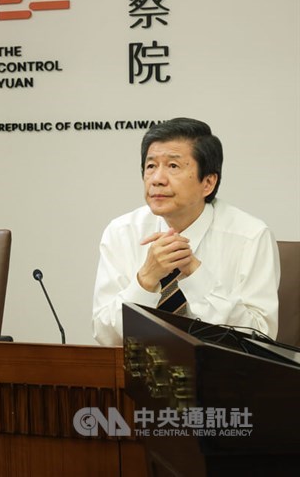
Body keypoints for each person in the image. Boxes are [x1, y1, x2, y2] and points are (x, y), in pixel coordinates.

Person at [92, 118, 280, 346]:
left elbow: (260, 340)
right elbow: (105, 336)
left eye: (173, 166)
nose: (157, 180)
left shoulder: (250, 237)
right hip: (141, 375)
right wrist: (146, 280)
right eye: (151, 166)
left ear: (208, 183)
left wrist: (194, 272)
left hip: (222, 377)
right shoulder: (122, 232)